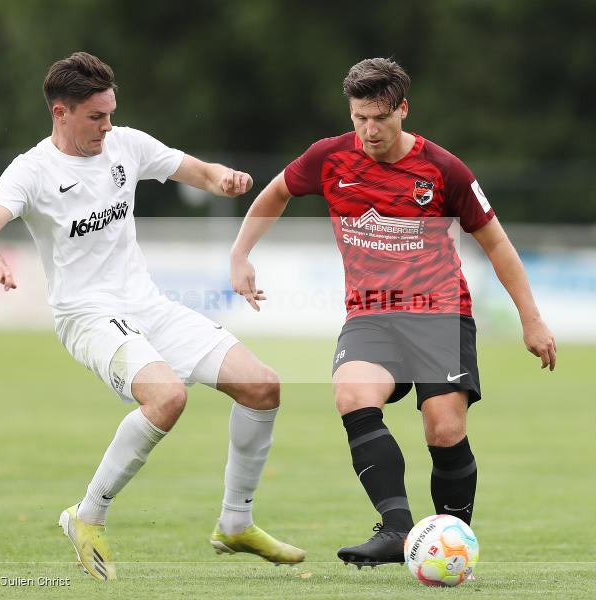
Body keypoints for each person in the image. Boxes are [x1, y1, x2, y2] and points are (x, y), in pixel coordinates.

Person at [0, 52, 304, 581]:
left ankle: (235, 523)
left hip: (149, 306)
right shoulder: (32, 171)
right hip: (87, 315)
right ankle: (87, 515)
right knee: (167, 396)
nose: (107, 126)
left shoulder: (126, 145)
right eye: (95, 117)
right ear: (61, 112)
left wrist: (224, 179)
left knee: (262, 385)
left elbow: (197, 171)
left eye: (111, 113)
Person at [230, 58, 556, 567]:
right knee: (351, 393)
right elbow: (276, 193)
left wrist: (530, 319)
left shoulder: (444, 170)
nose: (368, 130)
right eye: (359, 117)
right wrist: (240, 254)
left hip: (440, 312)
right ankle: (396, 529)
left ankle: (453, 544)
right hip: (371, 315)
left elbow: (497, 245)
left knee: (443, 428)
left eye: (379, 117)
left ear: (402, 109)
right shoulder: (329, 158)